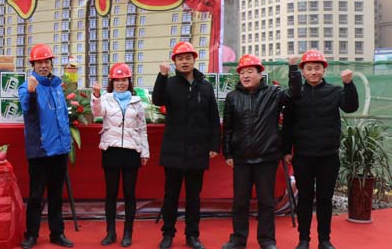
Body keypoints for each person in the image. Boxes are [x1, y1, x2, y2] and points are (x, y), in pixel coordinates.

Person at [221, 55, 302, 249]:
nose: (245, 76)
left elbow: (295, 93)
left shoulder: (273, 94)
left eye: (250, 71)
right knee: (240, 202)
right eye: (242, 72)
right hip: (241, 158)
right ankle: (238, 239)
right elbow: (228, 128)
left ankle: (267, 240)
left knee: (266, 202)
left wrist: (293, 69)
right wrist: (228, 153)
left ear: (260, 74)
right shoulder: (232, 97)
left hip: (267, 157)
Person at [282, 50, 358, 249]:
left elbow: (350, 107)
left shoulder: (334, 91)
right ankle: (303, 240)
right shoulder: (296, 94)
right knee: (305, 199)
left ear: (324, 70)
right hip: (303, 156)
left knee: (325, 199)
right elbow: (288, 124)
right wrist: (287, 150)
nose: (313, 72)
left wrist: (348, 84)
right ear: (303, 72)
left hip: (328, 156)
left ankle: (324, 240)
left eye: (317, 68)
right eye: (309, 68)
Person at [151, 41, 220, 249]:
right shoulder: (169, 83)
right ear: (175, 62)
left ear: (194, 60)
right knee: (170, 196)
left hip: (197, 149)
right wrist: (162, 76)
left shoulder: (205, 86)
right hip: (174, 148)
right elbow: (157, 100)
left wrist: (214, 145)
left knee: (193, 197)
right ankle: (168, 234)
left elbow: (213, 117)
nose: (184, 62)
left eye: (188, 58)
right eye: (180, 59)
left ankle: (192, 235)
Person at [19, 43, 74, 249]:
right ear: (33, 65)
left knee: (56, 195)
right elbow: (28, 110)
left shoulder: (57, 86)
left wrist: (66, 142)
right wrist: (32, 92)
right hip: (40, 150)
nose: (43, 66)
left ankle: (57, 233)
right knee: (36, 196)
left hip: (59, 149)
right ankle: (31, 234)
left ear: (51, 63)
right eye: (39, 62)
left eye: (46, 61)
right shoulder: (27, 87)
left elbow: (63, 116)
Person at [92, 63, 149, 247]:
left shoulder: (137, 102)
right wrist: (96, 96)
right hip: (111, 150)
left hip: (132, 151)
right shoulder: (106, 99)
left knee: (130, 194)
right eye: (117, 80)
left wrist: (145, 151)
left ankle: (127, 232)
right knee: (111, 193)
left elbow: (142, 129)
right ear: (112, 82)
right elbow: (96, 113)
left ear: (129, 81)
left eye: (124, 80)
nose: (121, 83)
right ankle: (110, 232)